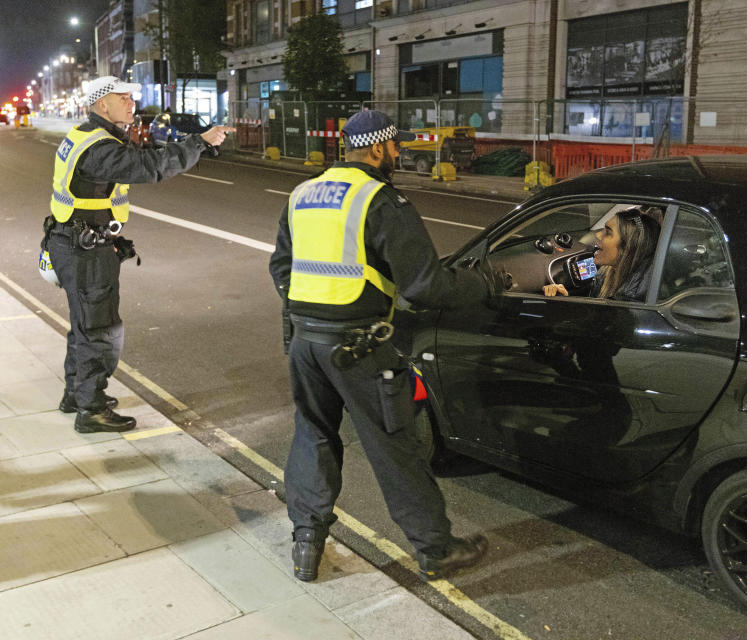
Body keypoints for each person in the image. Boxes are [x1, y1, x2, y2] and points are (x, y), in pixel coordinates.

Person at [268, 110, 502, 583]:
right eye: (395, 146)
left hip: (305, 343)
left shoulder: (303, 194)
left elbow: (282, 269)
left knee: (314, 436)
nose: (399, 154)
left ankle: (306, 544)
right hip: (359, 347)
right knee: (396, 447)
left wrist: (311, 315)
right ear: (376, 149)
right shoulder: (380, 199)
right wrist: (485, 283)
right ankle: (436, 549)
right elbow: (425, 286)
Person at [44, 75, 233, 433]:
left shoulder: (88, 135)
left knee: (84, 325)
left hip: (73, 242)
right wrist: (199, 142)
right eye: (124, 98)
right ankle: (92, 409)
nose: (132, 103)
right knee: (100, 330)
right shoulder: (98, 147)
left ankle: (77, 394)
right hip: (84, 250)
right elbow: (151, 167)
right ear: (103, 104)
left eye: (132, 97)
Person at [543, 208, 661, 300]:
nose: (598, 235)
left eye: (608, 232)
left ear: (628, 247)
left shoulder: (631, 298)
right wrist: (564, 297)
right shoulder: (604, 273)